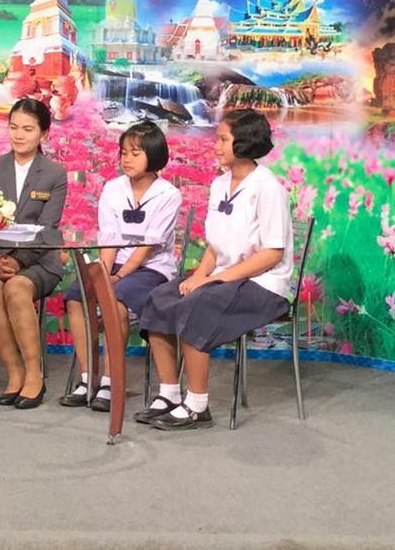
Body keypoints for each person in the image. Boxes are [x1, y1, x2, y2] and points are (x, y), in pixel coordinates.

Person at [135, 108, 293, 430]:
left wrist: (214, 280)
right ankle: (169, 394)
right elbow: (214, 245)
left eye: (223, 139)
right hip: (223, 277)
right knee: (159, 298)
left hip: (262, 284)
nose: (216, 146)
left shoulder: (268, 188)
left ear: (244, 142)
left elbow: (271, 254)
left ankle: (197, 405)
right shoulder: (220, 184)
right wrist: (199, 276)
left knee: (197, 305)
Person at [58, 121, 182, 412]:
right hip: (114, 263)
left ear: (154, 155)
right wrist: (103, 273)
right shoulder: (113, 188)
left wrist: (119, 277)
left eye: (135, 153)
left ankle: (111, 382)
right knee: (76, 297)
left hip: (151, 268)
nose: (126, 159)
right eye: (124, 152)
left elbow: (149, 244)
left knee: (115, 300)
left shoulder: (167, 194)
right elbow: (110, 237)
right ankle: (88, 378)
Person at [0, 98, 67, 409]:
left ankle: (34, 375)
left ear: (44, 133)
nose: (19, 135)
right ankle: (14, 373)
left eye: (27, 129)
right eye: (13, 127)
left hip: (38, 259)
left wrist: (18, 261)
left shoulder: (54, 173)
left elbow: (47, 229)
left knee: (16, 287)